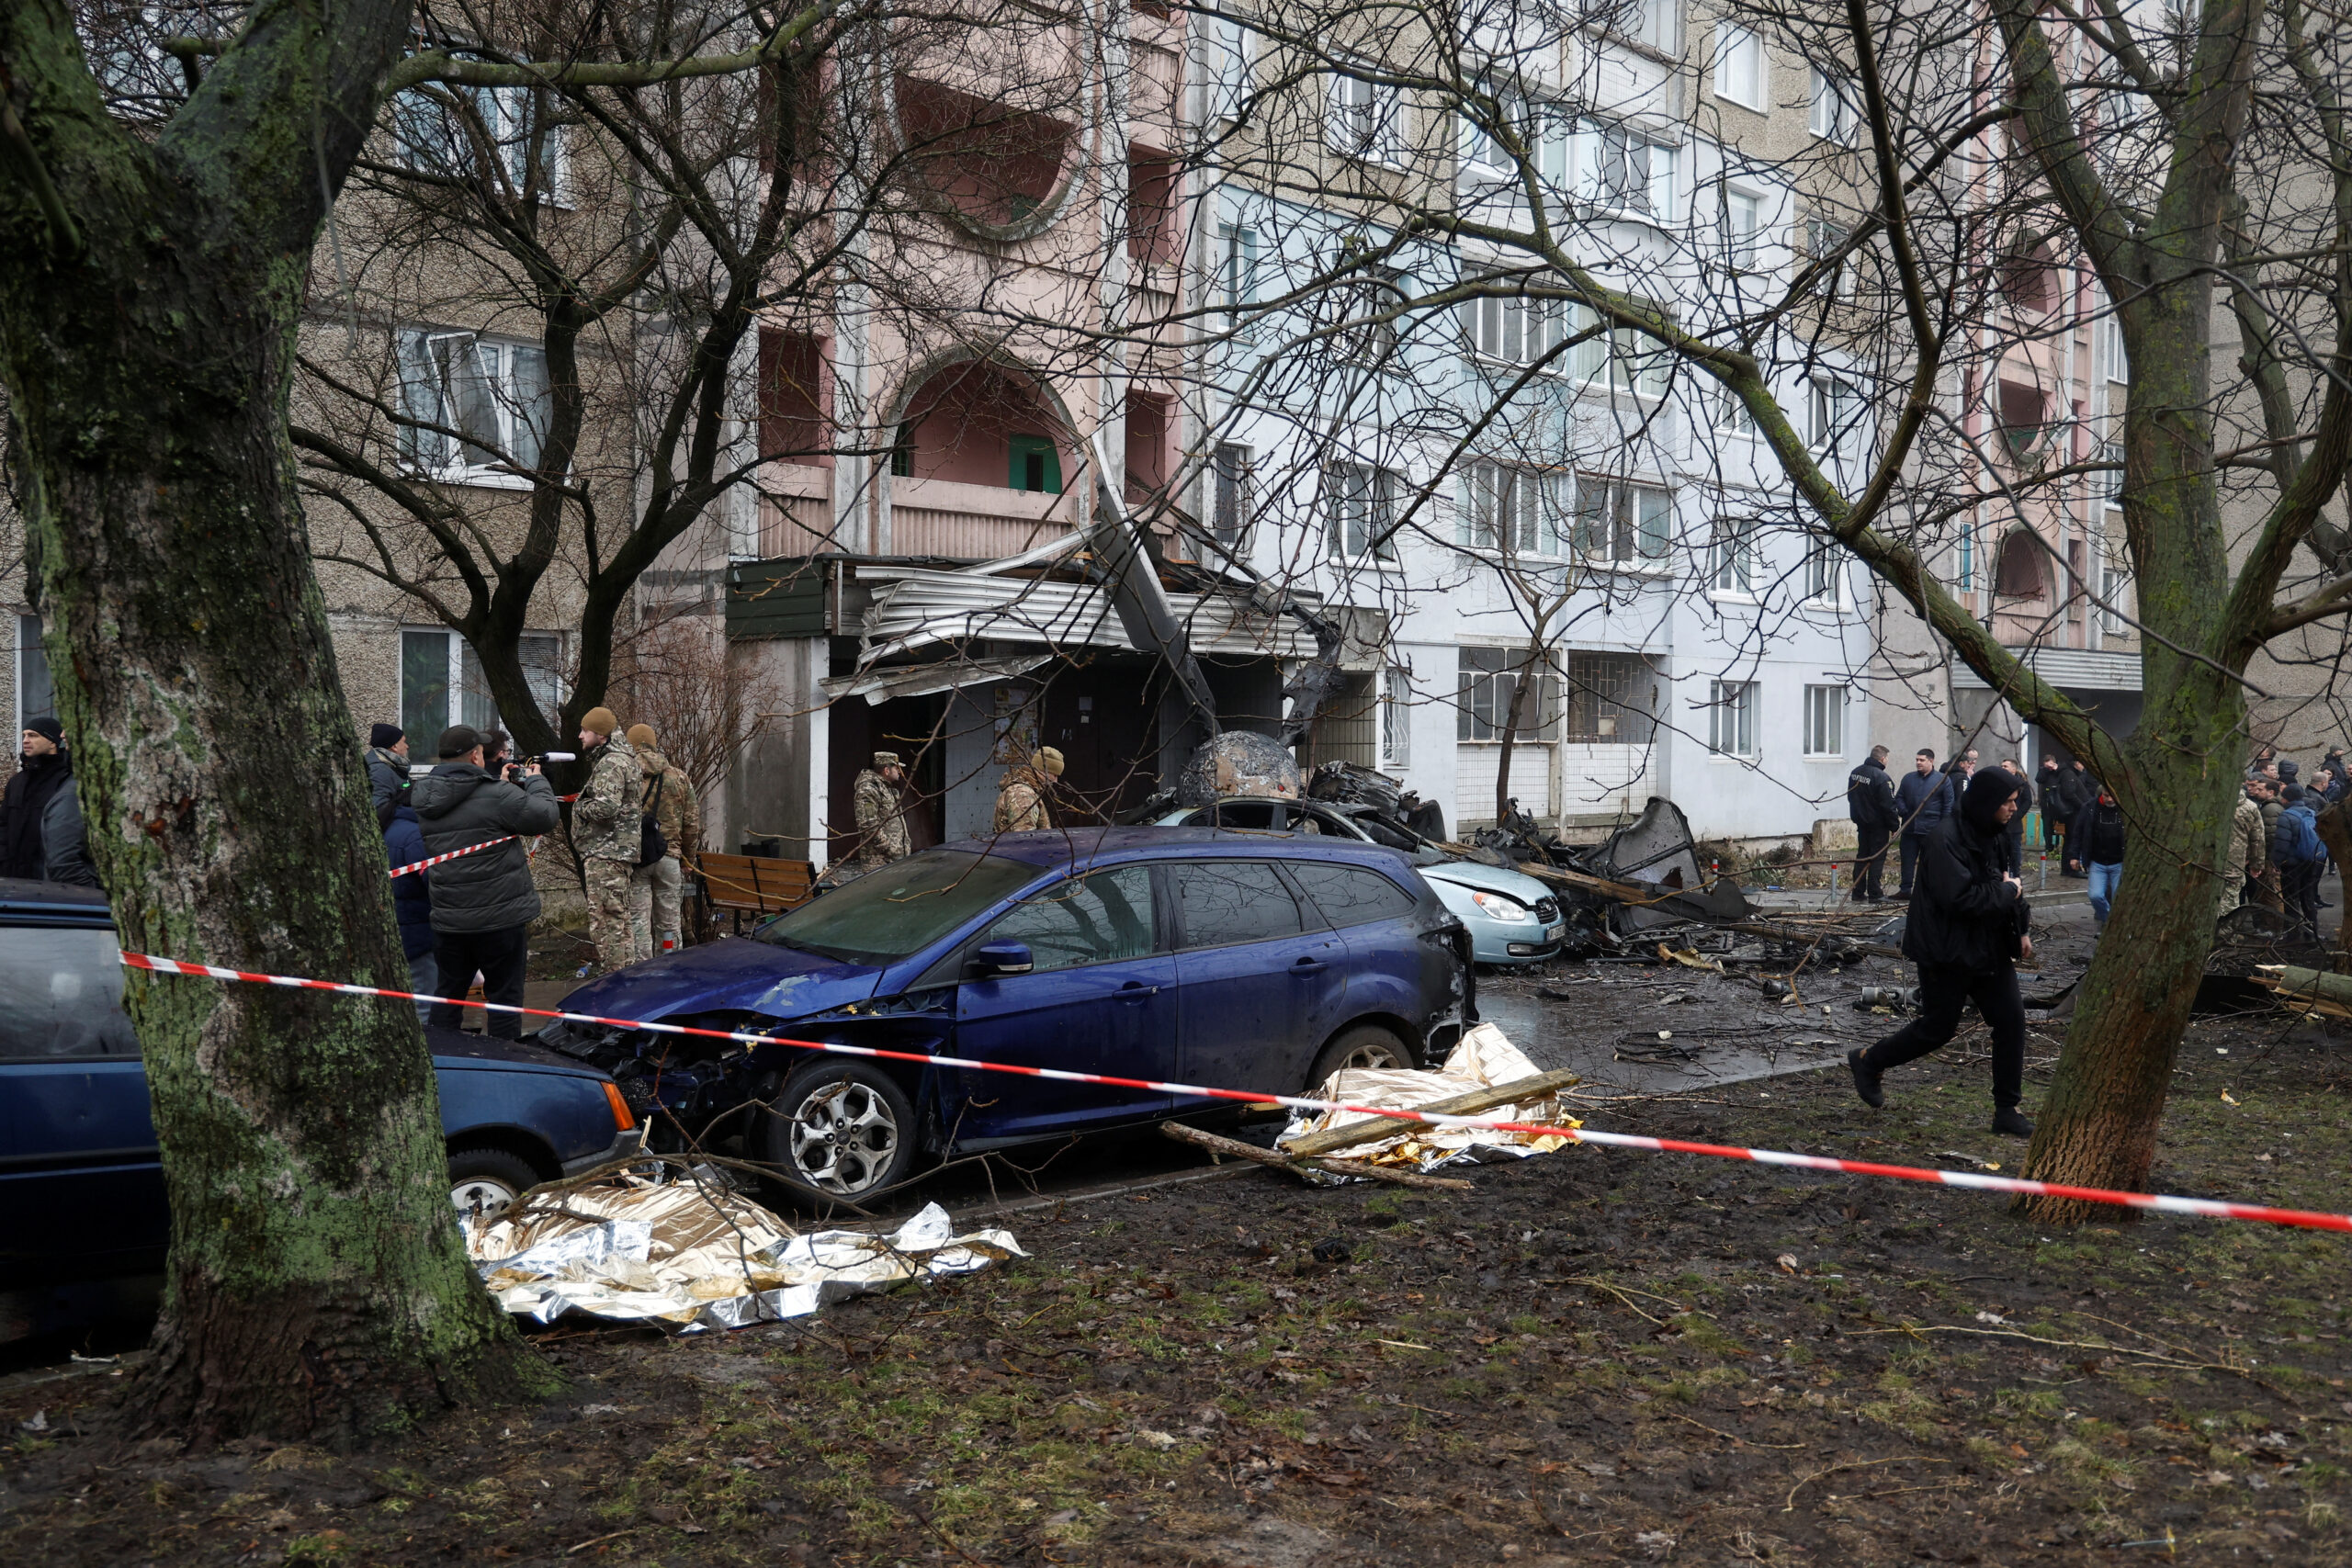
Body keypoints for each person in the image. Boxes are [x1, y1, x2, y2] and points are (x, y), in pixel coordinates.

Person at [1847, 768, 2037, 1137]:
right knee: (1937, 1028)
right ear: (1987, 803)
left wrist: (2022, 927)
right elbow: (1962, 899)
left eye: (2015, 801)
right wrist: (2008, 893)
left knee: (2011, 1021)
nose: (2014, 809)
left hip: (1989, 947)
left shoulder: (1995, 834)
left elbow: (2006, 882)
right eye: (2008, 802)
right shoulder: (1944, 840)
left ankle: (2007, 1110)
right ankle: (1868, 1061)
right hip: (1946, 951)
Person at [411, 726, 560, 1039]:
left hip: (450, 918)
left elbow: (472, 813)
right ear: (475, 756)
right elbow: (545, 816)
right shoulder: (497, 796)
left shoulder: (425, 797)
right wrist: (535, 781)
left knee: (448, 995)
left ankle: (443, 1057)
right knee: (504, 998)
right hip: (500, 919)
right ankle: (503, 1060)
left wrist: (500, 786)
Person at [571, 707, 641, 976]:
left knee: (605, 922)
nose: (580, 735)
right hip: (617, 852)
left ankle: (614, 980)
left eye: (585, 730)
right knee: (619, 920)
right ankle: (627, 978)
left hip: (606, 852)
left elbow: (606, 808)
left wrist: (580, 806)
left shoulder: (611, 763)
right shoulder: (626, 759)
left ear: (601, 735)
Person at [625, 723, 699, 961]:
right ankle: (668, 968)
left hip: (637, 859)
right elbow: (691, 823)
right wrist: (688, 859)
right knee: (669, 922)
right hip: (669, 858)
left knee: (638, 922)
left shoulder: (625, 774)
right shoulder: (679, 777)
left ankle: (641, 970)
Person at [384, 801, 438, 1022]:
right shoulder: (414, 836)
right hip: (419, 934)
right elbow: (434, 881)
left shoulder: (387, 827)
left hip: (399, 929)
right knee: (424, 1006)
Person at [2, 717, 74, 881]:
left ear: (52, 742)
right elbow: (3, 824)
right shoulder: (17, 781)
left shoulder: (66, 780)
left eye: (33, 735)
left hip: (50, 878)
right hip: (13, 876)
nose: (26, 741)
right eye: (24, 735)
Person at [1891, 748, 1953, 900]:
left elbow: (1948, 805)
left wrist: (1942, 828)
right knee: (1907, 861)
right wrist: (1904, 811)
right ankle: (1905, 890)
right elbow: (1899, 797)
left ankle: (1928, 891)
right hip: (1910, 828)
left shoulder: (1942, 780)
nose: (1918, 763)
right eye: (1917, 760)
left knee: (1930, 862)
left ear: (1931, 761)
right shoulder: (1908, 778)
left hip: (1931, 830)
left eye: (1922, 760)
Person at [2066, 784, 2128, 931]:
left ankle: (2112, 926)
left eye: (2112, 796)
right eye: (2106, 796)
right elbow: (2078, 833)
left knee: (2118, 897)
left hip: (2119, 861)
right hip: (2097, 861)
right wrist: (2074, 856)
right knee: (2095, 895)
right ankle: (2109, 921)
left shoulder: (2125, 810)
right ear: (2101, 794)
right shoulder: (2090, 808)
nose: (2110, 799)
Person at [1844, 744, 1900, 902]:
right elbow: (1888, 806)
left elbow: (1850, 797)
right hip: (1878, 826)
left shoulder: (1855, 773)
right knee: (1877, 858)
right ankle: (1875, 893)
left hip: (1861, 823)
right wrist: (1894, 826)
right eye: (1887, 758)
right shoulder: (1882, 778)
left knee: (1862, 856)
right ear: (1882, 759)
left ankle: (1857, 892)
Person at [2276, 784, 2326, 942]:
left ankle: (2292, 934)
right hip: (2310, 861)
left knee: (2291, 898)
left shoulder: (2286, 816)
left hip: (2291, 864)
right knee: (2308, 897)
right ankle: (2312, 933)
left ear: (2286, 799)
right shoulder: (2311, 813)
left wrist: (2275, 863)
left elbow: (2282, 844)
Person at [850, 750, 913, 872]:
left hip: (895, 860)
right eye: (897, 768)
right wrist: (890, 849)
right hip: (879, 862)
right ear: (886, 770)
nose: (900, 771)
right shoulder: (869, 789)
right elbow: (868, 825)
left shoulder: (888, 789)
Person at [2222, 781, 2267, 923]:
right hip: (2234, 863)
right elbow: (2258, 839)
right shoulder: (2250, 807)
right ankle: (2225, 932)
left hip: (2206, 862)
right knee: (2230, 901)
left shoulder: (2211, 803)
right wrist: (2257, 864)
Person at [993, 747, 1064, 833]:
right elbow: (1024, 838)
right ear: (1043, 770)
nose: (1056, 781)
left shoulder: (1025, 789)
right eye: (1055, 775)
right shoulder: (1023, 795)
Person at [365, 723, 411, 827]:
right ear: (394, 746)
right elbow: (379, 810)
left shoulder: (393, 766)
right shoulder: (379, 770)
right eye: (404, 742)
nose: (407, 746)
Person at [2253, 777, 2288, 912]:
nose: (2256, 791)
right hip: (2270, 859)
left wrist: (2269, 861)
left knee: (2272, 894)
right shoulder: (2271, 807)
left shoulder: (2270, 810)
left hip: (2269, 860)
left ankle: (2275, 923)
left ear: (2271, 792)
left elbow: (2270, 837)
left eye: (2260, 789)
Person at [1998, 759, 2033, 874]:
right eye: (2002, 766)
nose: (2002, 768)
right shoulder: (1999, 781)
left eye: (2005, 766)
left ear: (2013, 769)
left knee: (2014, 852)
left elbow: (2028, 801)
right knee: (2000, 852)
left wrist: (2017, 814)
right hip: (2000, 824)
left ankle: (2015, 875)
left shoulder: (2022, 783)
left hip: (2014, 825)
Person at [2036, 756, 2067, 853]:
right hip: (2046, 803)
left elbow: (2065, 779)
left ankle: (2065, 845)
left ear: (2054, 762)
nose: (2049, 768)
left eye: (2050, 765)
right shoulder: (2043, 771)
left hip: (2060, 802)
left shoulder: (2061, 769)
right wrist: (2046, 770)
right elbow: (2039, 779)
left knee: (2063, 824)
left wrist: (2056, 769)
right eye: (2046, 766)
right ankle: (2049, 846)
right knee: (2047, 824)